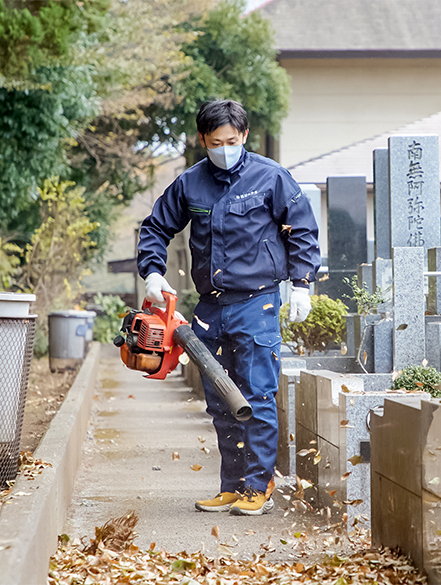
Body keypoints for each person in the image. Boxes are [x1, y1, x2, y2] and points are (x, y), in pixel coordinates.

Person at [137, 99, 320, 516]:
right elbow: (155, 227)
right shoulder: (190, 184)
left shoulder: (270, 177)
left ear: (245, 137)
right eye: (215, 142)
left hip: (257, 301)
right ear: (203, 140)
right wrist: (151, 272)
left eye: (232, 141)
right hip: (210, 307)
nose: (224, 149)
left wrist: (302, 285)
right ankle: (232, 486)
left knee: (256, 394)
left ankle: (259, 486)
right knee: (221, 400)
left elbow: (303, 230)